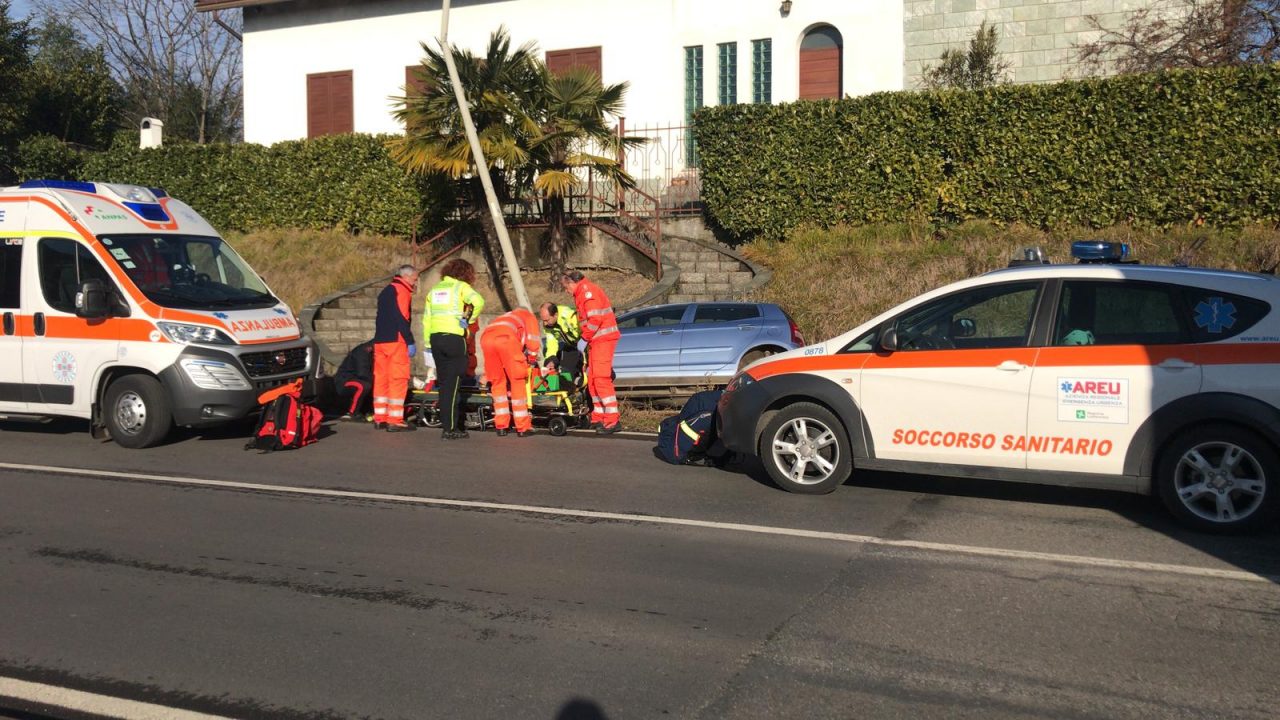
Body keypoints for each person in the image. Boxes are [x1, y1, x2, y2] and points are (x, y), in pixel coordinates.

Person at [424, 259, 485, 440]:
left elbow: (427, 319)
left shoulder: (434, 290)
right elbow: (478, 301)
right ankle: (450, 429)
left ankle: (448, 424)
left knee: (444, 384)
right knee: (453, 384)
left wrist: (428, 344)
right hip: (454, 339)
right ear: (465, 273)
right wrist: (469, 320)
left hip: (436, 339)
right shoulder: (460, 287)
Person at [560, 270, 620, 433]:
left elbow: (595, 319)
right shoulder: (583, 293)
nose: (566, 291)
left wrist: (585, 338)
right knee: (592, 379)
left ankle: (612, 420)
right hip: (597, 340)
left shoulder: (587, 292)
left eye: (566, 288)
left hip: (602, 339)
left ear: (572, 283)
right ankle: (599, 417)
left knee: (600, 379)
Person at [481, 307, 541, 437]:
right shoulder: (528, 316)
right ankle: (522, 427)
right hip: (506, 340)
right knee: (517, 380)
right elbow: (533, 339)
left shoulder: (506, 317)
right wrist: (531, 358)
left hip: (486, 339)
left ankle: (501, 426)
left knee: (497, 382)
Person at [373, 265, 418, 432]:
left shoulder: (386, 291)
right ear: (406, 276)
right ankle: (394, 419)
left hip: (380, 341)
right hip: (396, 341)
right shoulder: (402, 290)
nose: (416, 281)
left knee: (381, 379)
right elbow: (401, 317)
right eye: (414, 278)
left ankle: (380, 417)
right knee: (398, 379)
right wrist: (410, 340)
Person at [538, 302, 583, 383]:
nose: (544, 323)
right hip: (572, 345)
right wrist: (551, 360)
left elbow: (584, 334)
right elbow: (552, 344)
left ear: (555, 315)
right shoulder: (548, 325)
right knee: (567, 372)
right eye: (543, 320)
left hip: (585, 344)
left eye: (547, 320)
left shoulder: (570, 316)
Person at [334, 340, 373, 421]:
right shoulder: (362, 351)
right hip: (345, 380)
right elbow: (362, 373)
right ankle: (352, 413)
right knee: (363, 386)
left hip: (356, 379)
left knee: (371, 385)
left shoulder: (371, 352)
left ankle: (366, 411)